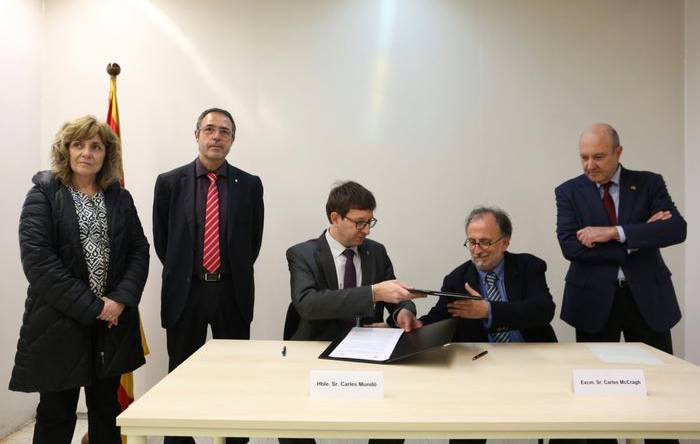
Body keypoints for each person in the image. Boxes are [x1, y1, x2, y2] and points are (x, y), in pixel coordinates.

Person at [9, 116, 149, 444]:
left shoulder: (120, 198)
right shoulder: (43, 195)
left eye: (96, 146)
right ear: (66, 150)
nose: (87, 152)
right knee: (56, 413)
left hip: (111, 326)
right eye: (78, 144)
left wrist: (120, 300)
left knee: (107, 411)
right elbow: (39, 262)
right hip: (58, 323)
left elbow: (139, 251)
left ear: (106, 154)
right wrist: (95, 308)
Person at [555, 123, 686, 444]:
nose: (590, 165)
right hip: (594, 302)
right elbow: (571, 247)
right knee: (598, 394)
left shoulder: (648, 183)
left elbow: (676, 229)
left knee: (661, 390)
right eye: (584, 157)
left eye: (598, 156)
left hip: (648, 300)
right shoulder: (568, 191)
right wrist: (638, 236)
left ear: (618, 152)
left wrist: (612, 232)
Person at [280, 180, 422, 444]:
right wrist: (372, 293)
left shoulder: (376, 251)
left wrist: (403, 312)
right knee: (291, 425)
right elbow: (308, 304)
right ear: (335, 218)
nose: (366, 230)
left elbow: (394, 295)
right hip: (316, 347)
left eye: (370, 222)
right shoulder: (302, 254)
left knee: (396, 418)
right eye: (359, 222)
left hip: (367, 349)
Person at [153, 107, 264, 444]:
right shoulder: (169, 182)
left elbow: (252, 242)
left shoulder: (250, 184)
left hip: (231, 291)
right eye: (210, 129)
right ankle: (178, 440)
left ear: (232, 140)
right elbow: (163, 242)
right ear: (197, 135)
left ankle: (233, 439)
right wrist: (190, 271)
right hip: (186, 291)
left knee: (235, 374)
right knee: (180, 372)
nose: (217, 137)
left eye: (224, 132)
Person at [421, 206, 557, 344]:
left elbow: (544, 309)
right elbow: (439, 318)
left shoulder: (528, 266)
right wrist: (415, 323)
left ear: (505, 242)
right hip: (483, 354)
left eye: (485, 242)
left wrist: (489, 311)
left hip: (531, 350)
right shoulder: (457, 279)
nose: (477, 251)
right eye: (472, 242)